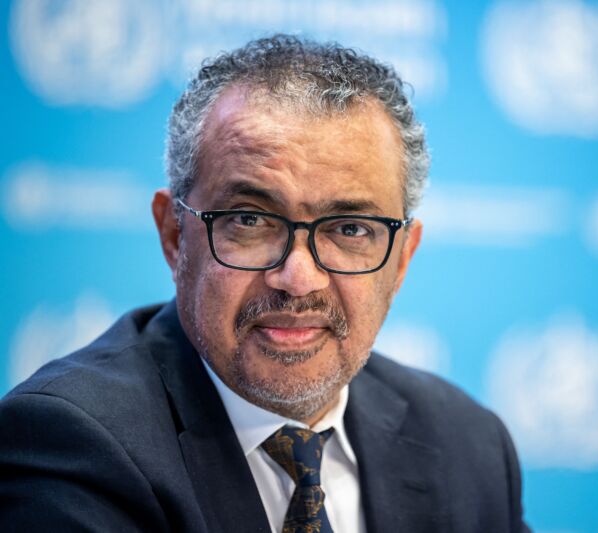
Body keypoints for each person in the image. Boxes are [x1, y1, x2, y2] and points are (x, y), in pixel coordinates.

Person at [0, 35, 530, 533]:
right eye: (251, 220)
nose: (299, 278)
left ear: (402, 259)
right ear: (173, 235)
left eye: (350, 229)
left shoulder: (468, 444)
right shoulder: (69, 443)